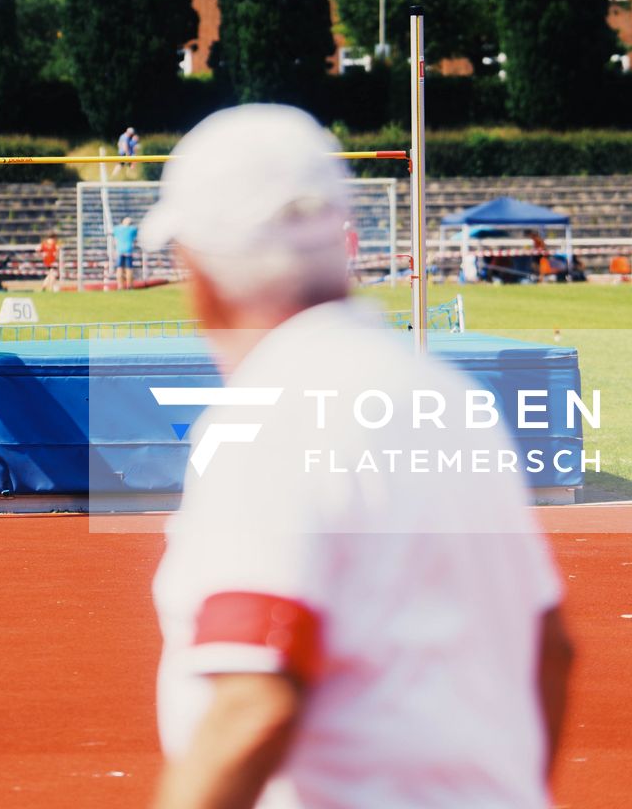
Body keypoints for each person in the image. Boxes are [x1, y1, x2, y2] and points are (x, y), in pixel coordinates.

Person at [141, 105, 571, 809]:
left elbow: (253, 706)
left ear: (200, 270)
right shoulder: (450, 399)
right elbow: (550, 647)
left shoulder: (267, 420)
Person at [112, 215, 140, 290]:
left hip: (120, 251)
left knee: (120, 269)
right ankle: (129, 286)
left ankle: (121, 286)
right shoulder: (132, 229)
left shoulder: (116, 229)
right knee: (128, 269)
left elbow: (114, 239)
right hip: (128, 250)